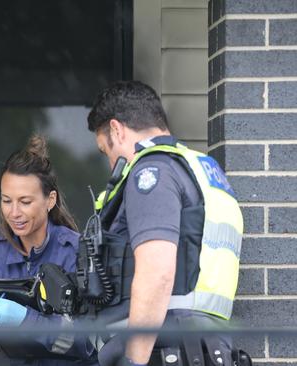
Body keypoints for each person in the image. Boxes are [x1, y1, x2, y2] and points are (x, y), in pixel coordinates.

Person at [85, 81, 243, 366]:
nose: (110, 164)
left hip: (164, 349)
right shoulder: (201, 170)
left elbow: (156, 272)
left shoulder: (152, 172)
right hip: (205, 346)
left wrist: (134, 360)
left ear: (117, 129)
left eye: (104, 150)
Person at [0, 135, 98, 365]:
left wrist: (24, 320)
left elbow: (89, 342)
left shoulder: (77, 251)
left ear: (50, 200)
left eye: (25, 201)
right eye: (6, 200)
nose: (14, 213)